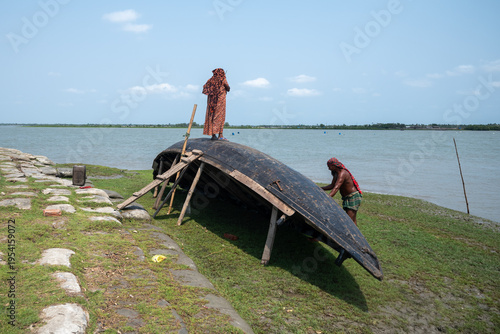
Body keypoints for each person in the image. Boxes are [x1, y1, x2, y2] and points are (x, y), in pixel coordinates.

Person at [321, 157, 362, 225]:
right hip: (347, 198)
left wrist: (327, 198)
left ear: (334, 165)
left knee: (349, 219)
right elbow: (332, 186)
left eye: (330, 166)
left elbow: (336, 187)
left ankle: (350, 235)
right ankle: (356, 235)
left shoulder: (342, 173)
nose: (328, 168)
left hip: (353, 197)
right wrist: (320, 188)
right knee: (352, 218)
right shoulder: (336, 173)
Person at [202, 68, 230, 141]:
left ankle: (213, 135)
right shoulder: (223, 80)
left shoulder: (210, 80)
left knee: (212, 117)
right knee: (220, 117)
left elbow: (204, 88)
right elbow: (228, 88)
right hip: (220, 103)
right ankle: (220, 135)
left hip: (211, 104)